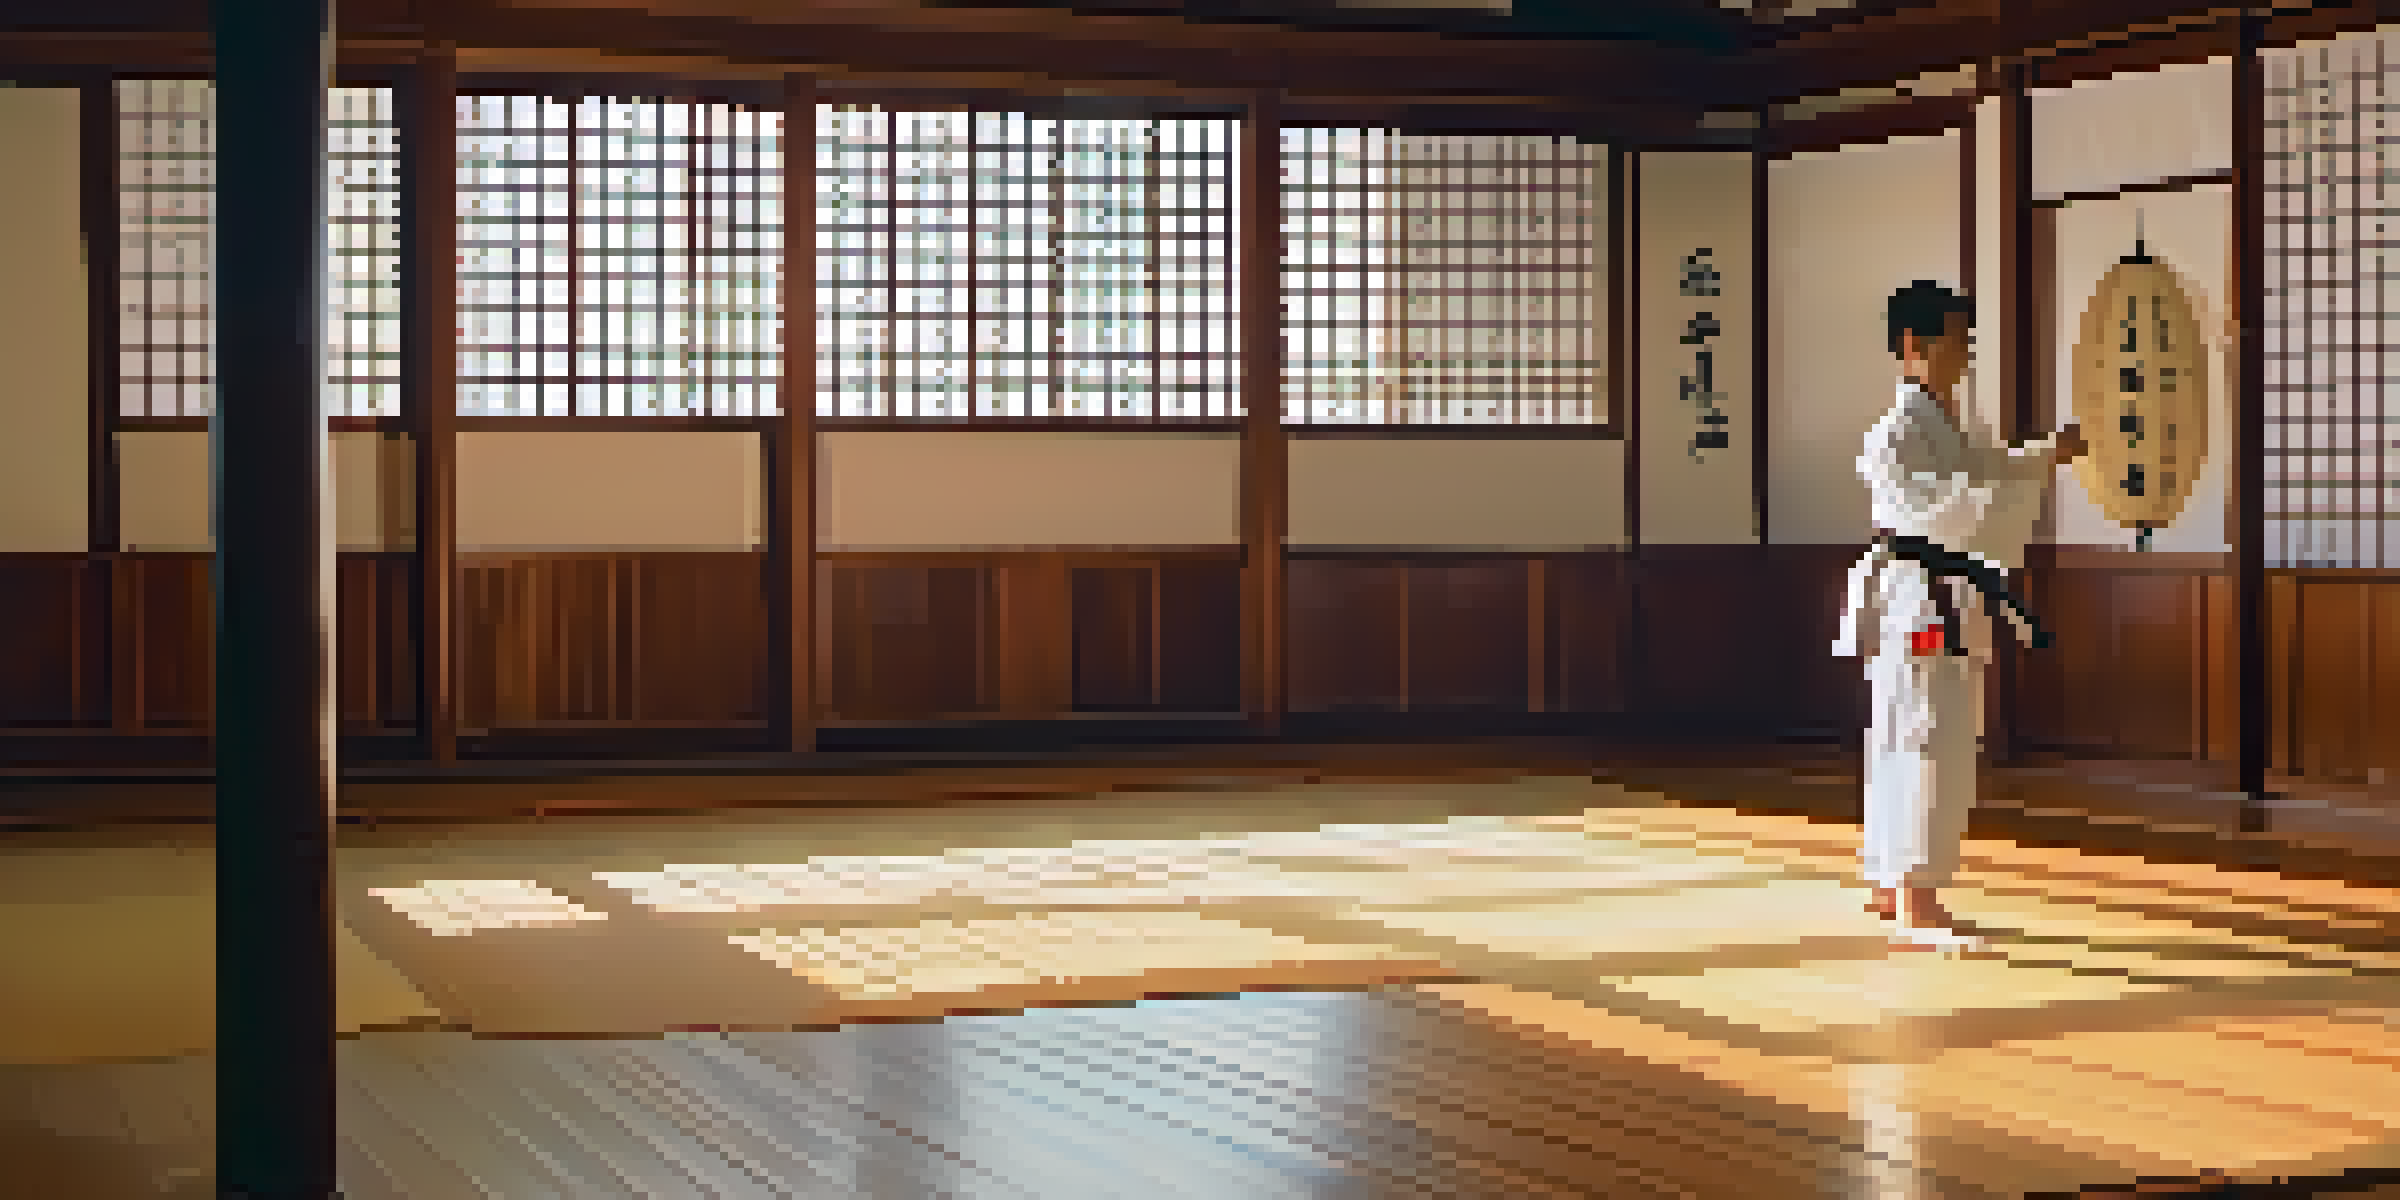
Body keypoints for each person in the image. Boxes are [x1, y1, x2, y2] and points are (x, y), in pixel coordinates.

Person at [1833, 281, 2088, 948]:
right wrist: (2000, 489)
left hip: (1937, 594)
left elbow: (1988, 469)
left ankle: (1893, 885)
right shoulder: (1894, 433)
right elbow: (1947, 506)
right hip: (1920, 598)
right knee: (1924, 736)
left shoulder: (1944, 427)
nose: (1965, 353)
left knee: (1909, 733)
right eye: (1955, 339)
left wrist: (2045, 457)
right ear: (1914, 345)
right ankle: (1915, 897)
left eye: (1968, 339)